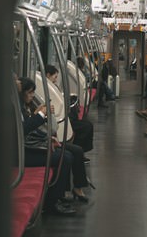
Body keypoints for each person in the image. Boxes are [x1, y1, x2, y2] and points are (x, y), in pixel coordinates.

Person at [18, 77, 92, 207]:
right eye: (29, 92)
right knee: (65, 157)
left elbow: (28, 128)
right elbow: (22, 130)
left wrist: (45, 134)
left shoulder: (24, 106)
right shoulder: (16, 108)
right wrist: (40, 115)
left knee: (76, 150)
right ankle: (53, 201)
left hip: (31, 143)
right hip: (23, 150)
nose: (32, 95)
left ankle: (75, 188)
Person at [46, 63, 95, 156]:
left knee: (86, 124)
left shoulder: (51, 87)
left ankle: (80, 151)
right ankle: (78, 151)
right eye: (54, 77)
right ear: (48, 75)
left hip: (63, 116)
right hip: (60, 119)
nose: (55, 80)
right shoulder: (47, 88)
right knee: (86, 126)